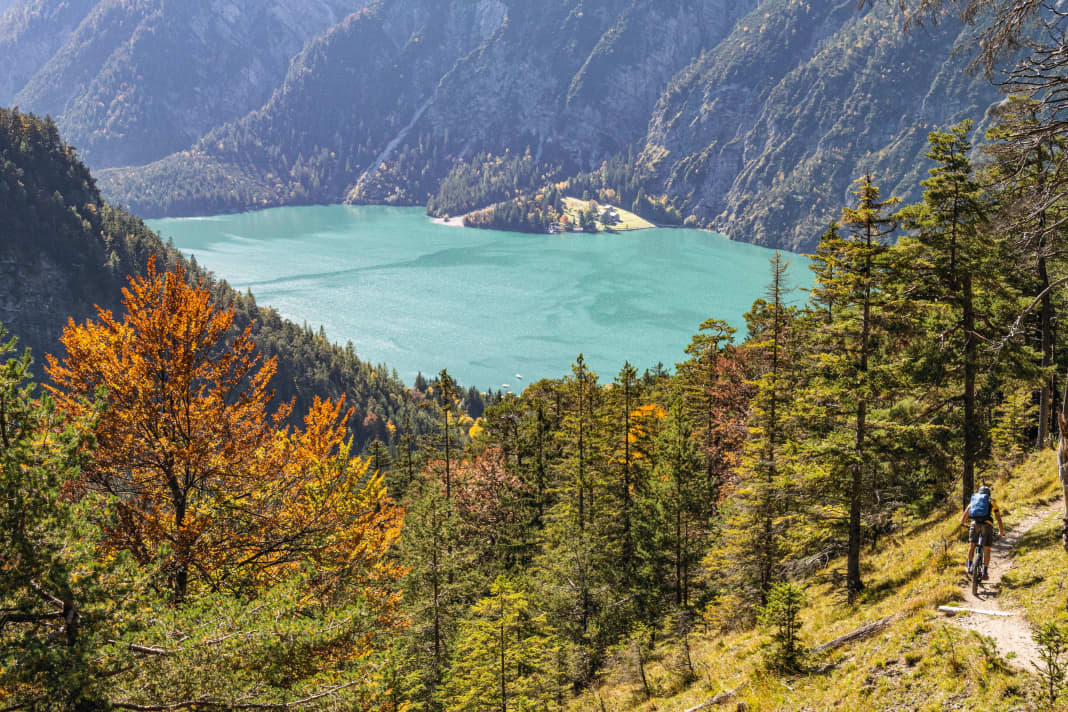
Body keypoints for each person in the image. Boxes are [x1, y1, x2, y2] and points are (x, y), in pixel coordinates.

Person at [960, 485, 1004, 581]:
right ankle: (984, 572)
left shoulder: (974, 501)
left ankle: (969, 567)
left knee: (972, 546)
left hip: (974, 524)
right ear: (989, 494)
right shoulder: (991, 502)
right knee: (987, 549)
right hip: (987, 526)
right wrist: (1001, 531)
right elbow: (998, 518)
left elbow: (966, 513)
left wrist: (962, 523)